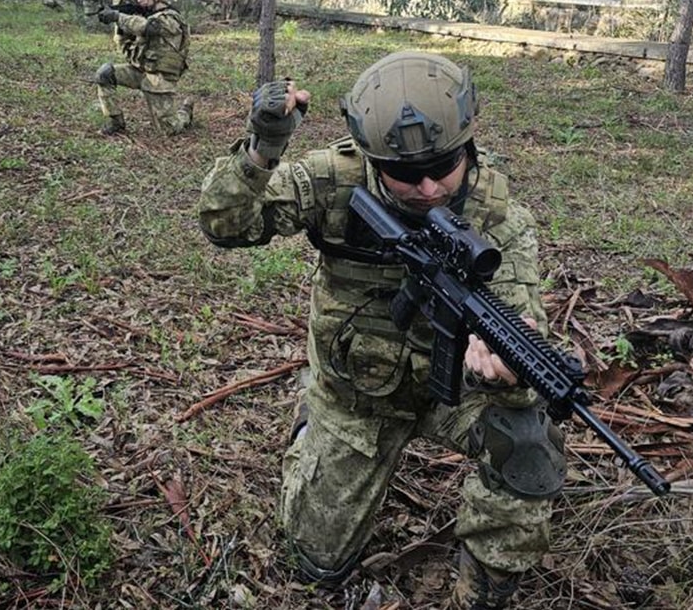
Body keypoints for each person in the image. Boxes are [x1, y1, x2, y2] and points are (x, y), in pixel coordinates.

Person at [196, 51, 565, 609]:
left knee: (528, 442)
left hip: (451, 394)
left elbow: (518, 319)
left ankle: (481, 592)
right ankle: (311, 430)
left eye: (443, 166)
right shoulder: (331, 181)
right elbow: (226, 224)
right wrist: (264, 146)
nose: (428, 188)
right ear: (371, 158)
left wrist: (506, 368)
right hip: (356, 396)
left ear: (467, 143)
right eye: (406, 175)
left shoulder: (500, 219)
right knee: (315, 565)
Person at [92, 0, 192, 136]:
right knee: (105, 74)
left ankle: (185, 111)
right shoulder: (146, 16)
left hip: (160, 79)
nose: (139, 1)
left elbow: (148, 28)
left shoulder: (172, 18)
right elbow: (129, 51)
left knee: (168, 130)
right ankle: (115, 122)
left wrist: (119, 17)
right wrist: (120, 30)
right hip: (141, 71)